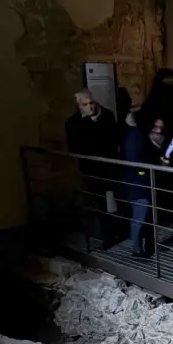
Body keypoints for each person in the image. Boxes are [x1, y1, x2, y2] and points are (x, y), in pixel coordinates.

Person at [64, 89, 120, 245]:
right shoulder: (73, 122)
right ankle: (106, 236)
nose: (90, 106)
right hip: (90, 169)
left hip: (109, 167)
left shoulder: (106, 116)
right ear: (79, 106)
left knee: (117, 199)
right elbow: (74, 147)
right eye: (85, 104)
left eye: (91, 102)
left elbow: (112, 141)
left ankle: (120, 230)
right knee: (98, 203)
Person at [122, 113, 173, 257]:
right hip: (139, 184)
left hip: (148, 182)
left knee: (149, 217)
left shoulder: (145, 137)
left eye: (161, 127)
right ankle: (136, 249)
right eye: (156, 126)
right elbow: (136, 161)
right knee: (139, 217)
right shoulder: (137, 137)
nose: (159, 129)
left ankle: (150, 246)